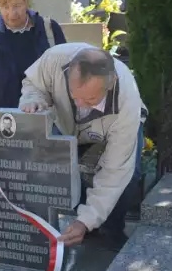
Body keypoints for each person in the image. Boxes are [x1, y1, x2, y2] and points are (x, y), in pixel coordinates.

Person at [19, 43, 147, 249]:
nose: (80, 106)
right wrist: (34, 99)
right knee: (70, 170)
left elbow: (115, 171)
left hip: (113, 128)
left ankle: (112, 230)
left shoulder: (126, 100)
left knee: (129, 176)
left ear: (111, 83)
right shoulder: (54, 59)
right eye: (74, 95)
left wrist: (85, 221)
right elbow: (33, 83)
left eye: (90, 99)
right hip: (66, 125)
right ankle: (88, 226)